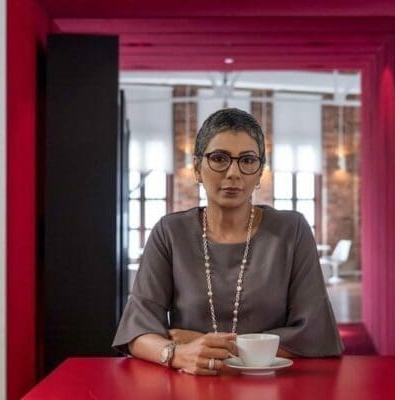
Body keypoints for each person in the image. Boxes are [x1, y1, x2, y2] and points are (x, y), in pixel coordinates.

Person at [112, 108, 343, 375]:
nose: (233, 173)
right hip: (190, 384)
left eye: (247, 160)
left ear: (259, 173)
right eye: (219, 158)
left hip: (270, 384)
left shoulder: (291, 230)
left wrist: (209, 345)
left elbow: (315, 334)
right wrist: (178, 354)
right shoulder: (170, 232)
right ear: (198, 168)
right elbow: (137, 332)